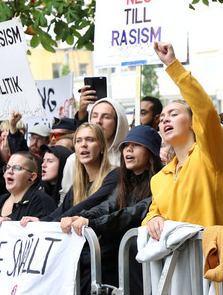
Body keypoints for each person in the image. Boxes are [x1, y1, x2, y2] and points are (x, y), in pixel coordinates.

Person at [143, 41, 223, 240]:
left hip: (212, 264)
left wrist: (173, 66)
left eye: (174, 114)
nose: (165, 119)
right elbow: (153, 212)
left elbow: (206, 111)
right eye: (162, 118)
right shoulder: (159, 178)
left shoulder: (209, 155)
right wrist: (153, 219)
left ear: (193, 123)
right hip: (175, 268)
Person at [61, 125, 164, 294]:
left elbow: (132, 214)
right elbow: (107, 206)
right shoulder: (126, 181)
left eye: (137, 145)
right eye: (126, 145)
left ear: (151, 152)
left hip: (142, 261)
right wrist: (80, 217)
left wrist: (92, 223)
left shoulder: (161, 180)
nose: (128, 149)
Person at [21, 123, 118, 223]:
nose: (83, 144)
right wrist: (39, 222)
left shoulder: (115, 175)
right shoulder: (77, 186)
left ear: (101, 146)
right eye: (78, 141)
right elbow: (58, 212)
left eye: (90, 139)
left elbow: (85, 205)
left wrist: (51, 222)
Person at [60, 97, 129, 198]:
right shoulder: (74, 160)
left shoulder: (127, 158)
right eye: (94, 116)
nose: (98, 121)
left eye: (106, 117)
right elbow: (65, 200)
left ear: (118, 122)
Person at [0, 151, 56, 224]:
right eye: (8, 167)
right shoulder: (0, 200)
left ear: (32, 177)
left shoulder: (41, 201)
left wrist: (11, 227)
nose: (9, 171)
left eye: (16, 168)